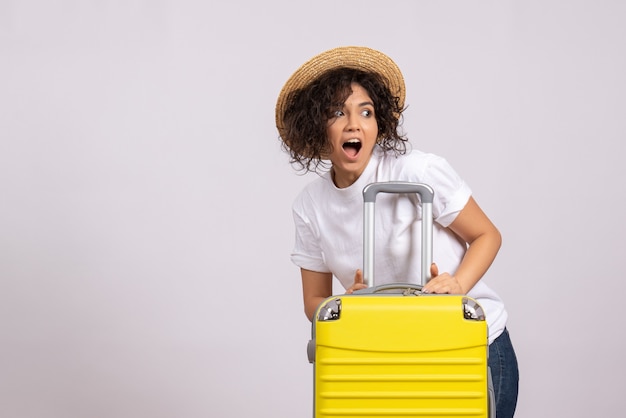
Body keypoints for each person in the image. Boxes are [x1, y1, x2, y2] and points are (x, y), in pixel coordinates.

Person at [275, 46, 519, 418]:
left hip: (470, 345)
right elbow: (315, 303)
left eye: (366, 112)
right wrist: (348, 305)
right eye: (337, 112)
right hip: (389, 351)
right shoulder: (310, 206)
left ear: (379, 123)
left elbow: (487, 235)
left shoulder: (418, 171)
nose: (354, 124)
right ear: (316, 126)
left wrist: (458, 284)